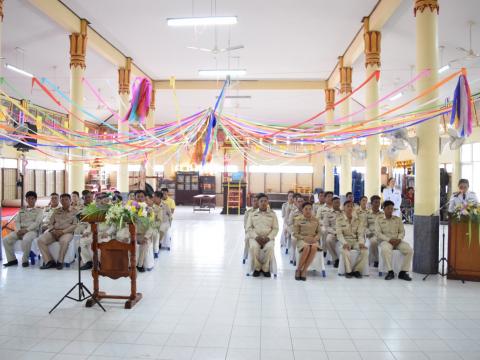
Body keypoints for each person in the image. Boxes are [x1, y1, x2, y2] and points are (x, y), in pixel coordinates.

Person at [3, 191, 43, 267]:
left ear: (35, 199)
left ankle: (25, 260)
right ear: (26, 200)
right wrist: (18, 230)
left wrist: (26, 230)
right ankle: (12, 260)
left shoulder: (39, 211)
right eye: (28, 199)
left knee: (26, 239)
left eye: (32, 199)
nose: (30, 200)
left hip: (32, 231)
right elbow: (17, 221)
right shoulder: (21, 210)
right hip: (20, 230)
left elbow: (37, 223)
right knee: (6, 239)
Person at [38, 193, 78, 270]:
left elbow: (74, 225)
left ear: (70, 201)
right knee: (40, 240)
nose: (64, 201)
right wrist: (53, 230)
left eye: (66, 199)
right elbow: (50, 223)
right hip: (54, 232)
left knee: (64, 242)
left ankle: (60, 261)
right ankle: (49, 261)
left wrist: (63, 232)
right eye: (62, 200)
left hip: (66, 233)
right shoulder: (56, 211)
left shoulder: (75, 211)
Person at [375, 200, 413, 281]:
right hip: (386, 241)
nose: (390, 210)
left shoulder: (397, 219)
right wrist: (389, 239)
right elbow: (378, 233)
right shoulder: (379, 219)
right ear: (384, 209)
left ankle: (403, 272)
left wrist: (399, 239)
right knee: (385, 250)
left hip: (397, 241)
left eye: (392, 209)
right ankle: (390, 271)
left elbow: (402, 231)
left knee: (409, 250)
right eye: (388, 208)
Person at [246, 193, 279, 277]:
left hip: (268, 238)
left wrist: (268, 238)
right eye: (261, 201)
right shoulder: (252, 214)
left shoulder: (272, 214)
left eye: (265, 201)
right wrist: (256, 237)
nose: (263, 203)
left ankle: (265, 268)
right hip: (255, 237)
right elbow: (249, 228)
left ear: (268, 202)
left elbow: (275, 228)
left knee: (270, 247)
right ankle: (257, 268)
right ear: (258, 203)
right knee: (254, 247)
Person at [336, 201, 367, 278]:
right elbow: (339, 234)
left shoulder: (358, 219)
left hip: (355, 241)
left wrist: (361, 243)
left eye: (351, 206)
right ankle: (348, 271)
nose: (350, 208)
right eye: (348, 206)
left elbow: (360, 233)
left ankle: (357, 270)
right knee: (345, 251)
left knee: (365, 251)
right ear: (344, 208)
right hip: (345, 240)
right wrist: (344, 243)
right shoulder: (339, 219)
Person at [292, 202, 321, 281]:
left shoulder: (316, 220)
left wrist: (315, 238)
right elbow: (295, 233)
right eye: (306, 209)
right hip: (302, 240)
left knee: (314, 247)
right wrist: (304, 238)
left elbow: (319, 232)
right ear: (302, 210)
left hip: (313, 239)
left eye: (310, 209)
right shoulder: (298, 219)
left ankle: (304, 270)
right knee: (307, 247)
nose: (308, 211)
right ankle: (298, 269)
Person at [134, 190, 155, 272]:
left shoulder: (149, 210)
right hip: (133, 234)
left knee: (144, 245)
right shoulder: (130, 209)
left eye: (142, 196)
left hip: (144, 235)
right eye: (138, 196)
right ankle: (130, 265)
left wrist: (146, 237)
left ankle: (139, 265)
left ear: (145, 198)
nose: (140, 198)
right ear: (135, 198)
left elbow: (151, 226)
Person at [324, 195, 343, 268]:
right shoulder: (328, 213)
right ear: (332, 203)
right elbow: (326, 226)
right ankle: (336, 258)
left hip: (343, 232)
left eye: (338, 202)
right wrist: (334, 232)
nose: (337, 204)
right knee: (328, 240)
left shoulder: (343, 212)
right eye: (335, 202)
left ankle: (345, 259)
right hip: (333, 232)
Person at [365, 195, 383, 267]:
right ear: (371, 203)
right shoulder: (367, 214)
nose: (377, 204)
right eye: (375, 202)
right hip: (372, 234)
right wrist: (368, 233)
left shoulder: (383, 214)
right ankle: (376, 260)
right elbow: (364, 227)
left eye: (379, 202)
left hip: (381, 234)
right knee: (373, 242)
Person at [287, 193, 304, 263]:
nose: (300, 203)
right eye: (299, 202)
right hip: (296, 232)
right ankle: (294, 257)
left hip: (306, 232)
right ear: (296, 203)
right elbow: (290, 224)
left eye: (302, 202)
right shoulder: (293, 213)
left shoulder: (308, 211)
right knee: (294, 239)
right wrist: (293, 232)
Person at [243, 195, 259, 262]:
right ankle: (245, 256)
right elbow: (246, 225)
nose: (255, 202)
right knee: (247, 239)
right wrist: (251, 233)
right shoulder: (248, 212)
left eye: (256, 201)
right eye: (253, 201)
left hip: (259, 232)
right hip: (250, 232)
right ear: (251, 202)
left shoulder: (261, 212)